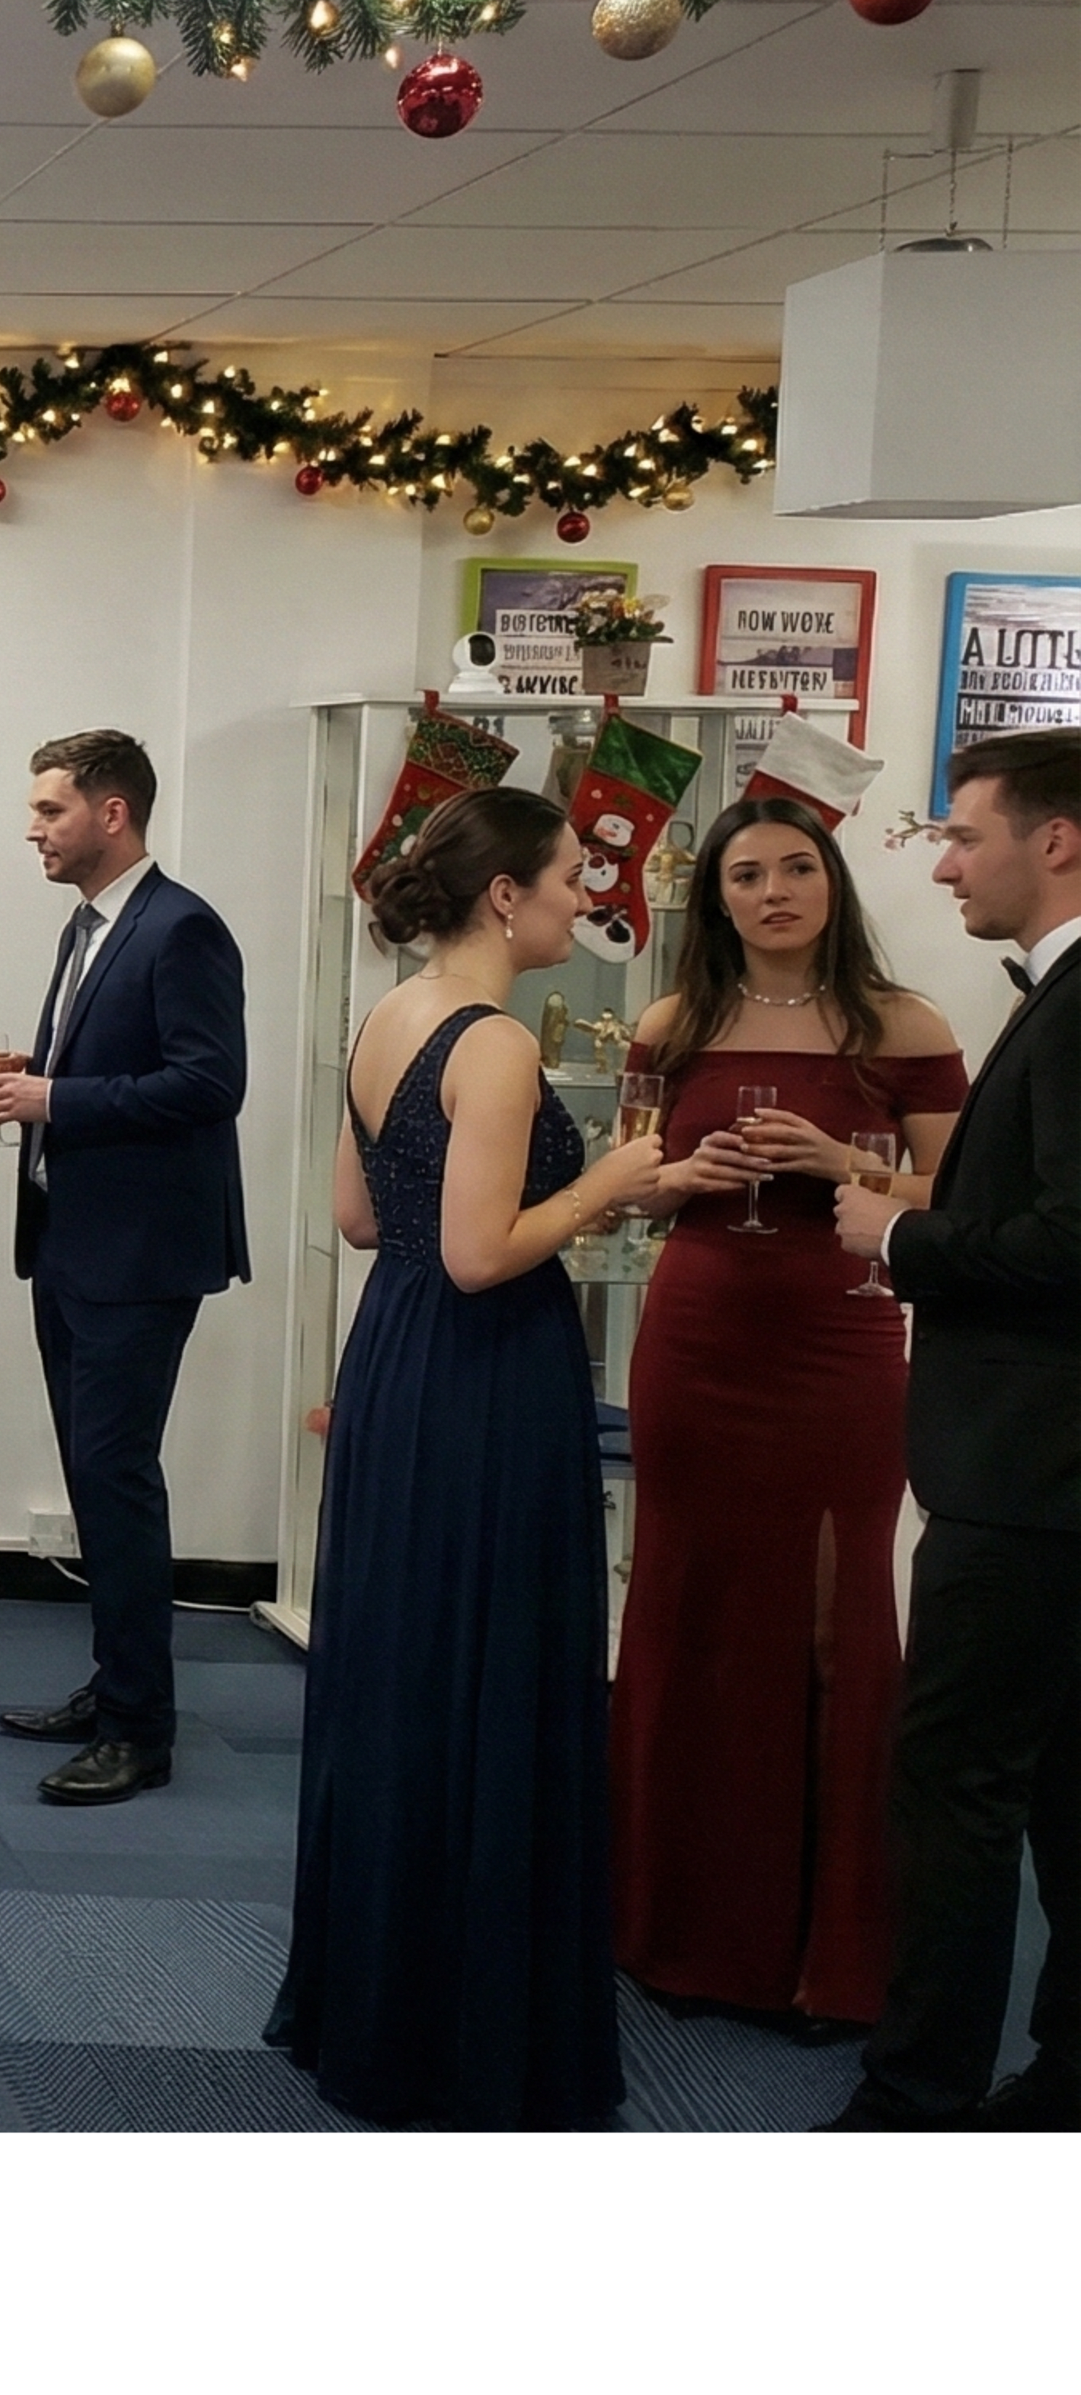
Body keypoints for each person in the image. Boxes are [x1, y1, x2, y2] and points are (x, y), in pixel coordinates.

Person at [269, 788, 670, 2132]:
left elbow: (355, 1213)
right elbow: (478, 1248)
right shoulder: (492, 1041)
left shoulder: (385, 1015)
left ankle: (374, 1997)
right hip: (486, 1380)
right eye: (567, 875)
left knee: (403, 1671)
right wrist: (608, 1184)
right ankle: (466, 2023)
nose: (581, 898)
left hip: (395, 1366)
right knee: (487, 1671)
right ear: (506, 893)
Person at [613, 796, 965, 2035]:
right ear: (714, 897)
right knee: (689, 1601)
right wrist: (678, 1179)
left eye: (797, 868)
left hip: (840, 1341)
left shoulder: (903, 1021)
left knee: (832, 1615)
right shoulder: (672, 1023)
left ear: (833, 882)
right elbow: (628, 1187)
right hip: (698, 1334)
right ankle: (675, 1925)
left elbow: (957, 1198)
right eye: (748, 873)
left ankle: (825, 1950)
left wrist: (842, 1162)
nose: (774, 891)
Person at [820, 727, 1081, 2136]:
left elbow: (1070, 1239)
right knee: (1058, 1790)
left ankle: (916, 2094)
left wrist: (903, 1228)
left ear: (1060, 839)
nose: (945, 857)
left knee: (961, 1789)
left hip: (1030, 1471)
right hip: (1041, 1470)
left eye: (966, 831)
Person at [0, 730, 246, 1804]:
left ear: (112, 813)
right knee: (96, 1478)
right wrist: (42, 1075)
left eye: (50, 810)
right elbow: (119, 1068)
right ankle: (115, 1679)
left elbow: (209, 1082)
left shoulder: (183, 928)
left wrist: (56, 1099)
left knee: (119, 1480)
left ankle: (141, 1728)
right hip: (75, 1241)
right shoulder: (89, 927)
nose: (33, 829)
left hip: (140, 1254)